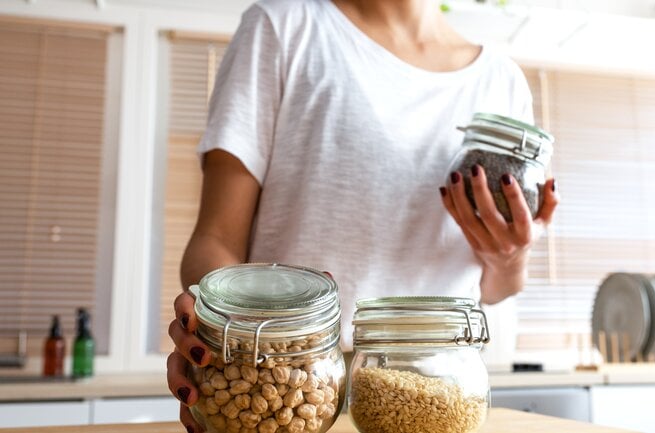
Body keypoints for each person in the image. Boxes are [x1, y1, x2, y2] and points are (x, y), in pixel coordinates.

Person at [166, 0, 558, 431]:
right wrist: (217, 328)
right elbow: (216, 238)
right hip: (293, 376)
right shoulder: (285, 28)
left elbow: (498, 288)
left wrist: (509, 258)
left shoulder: (501, 80)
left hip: (444, 383)